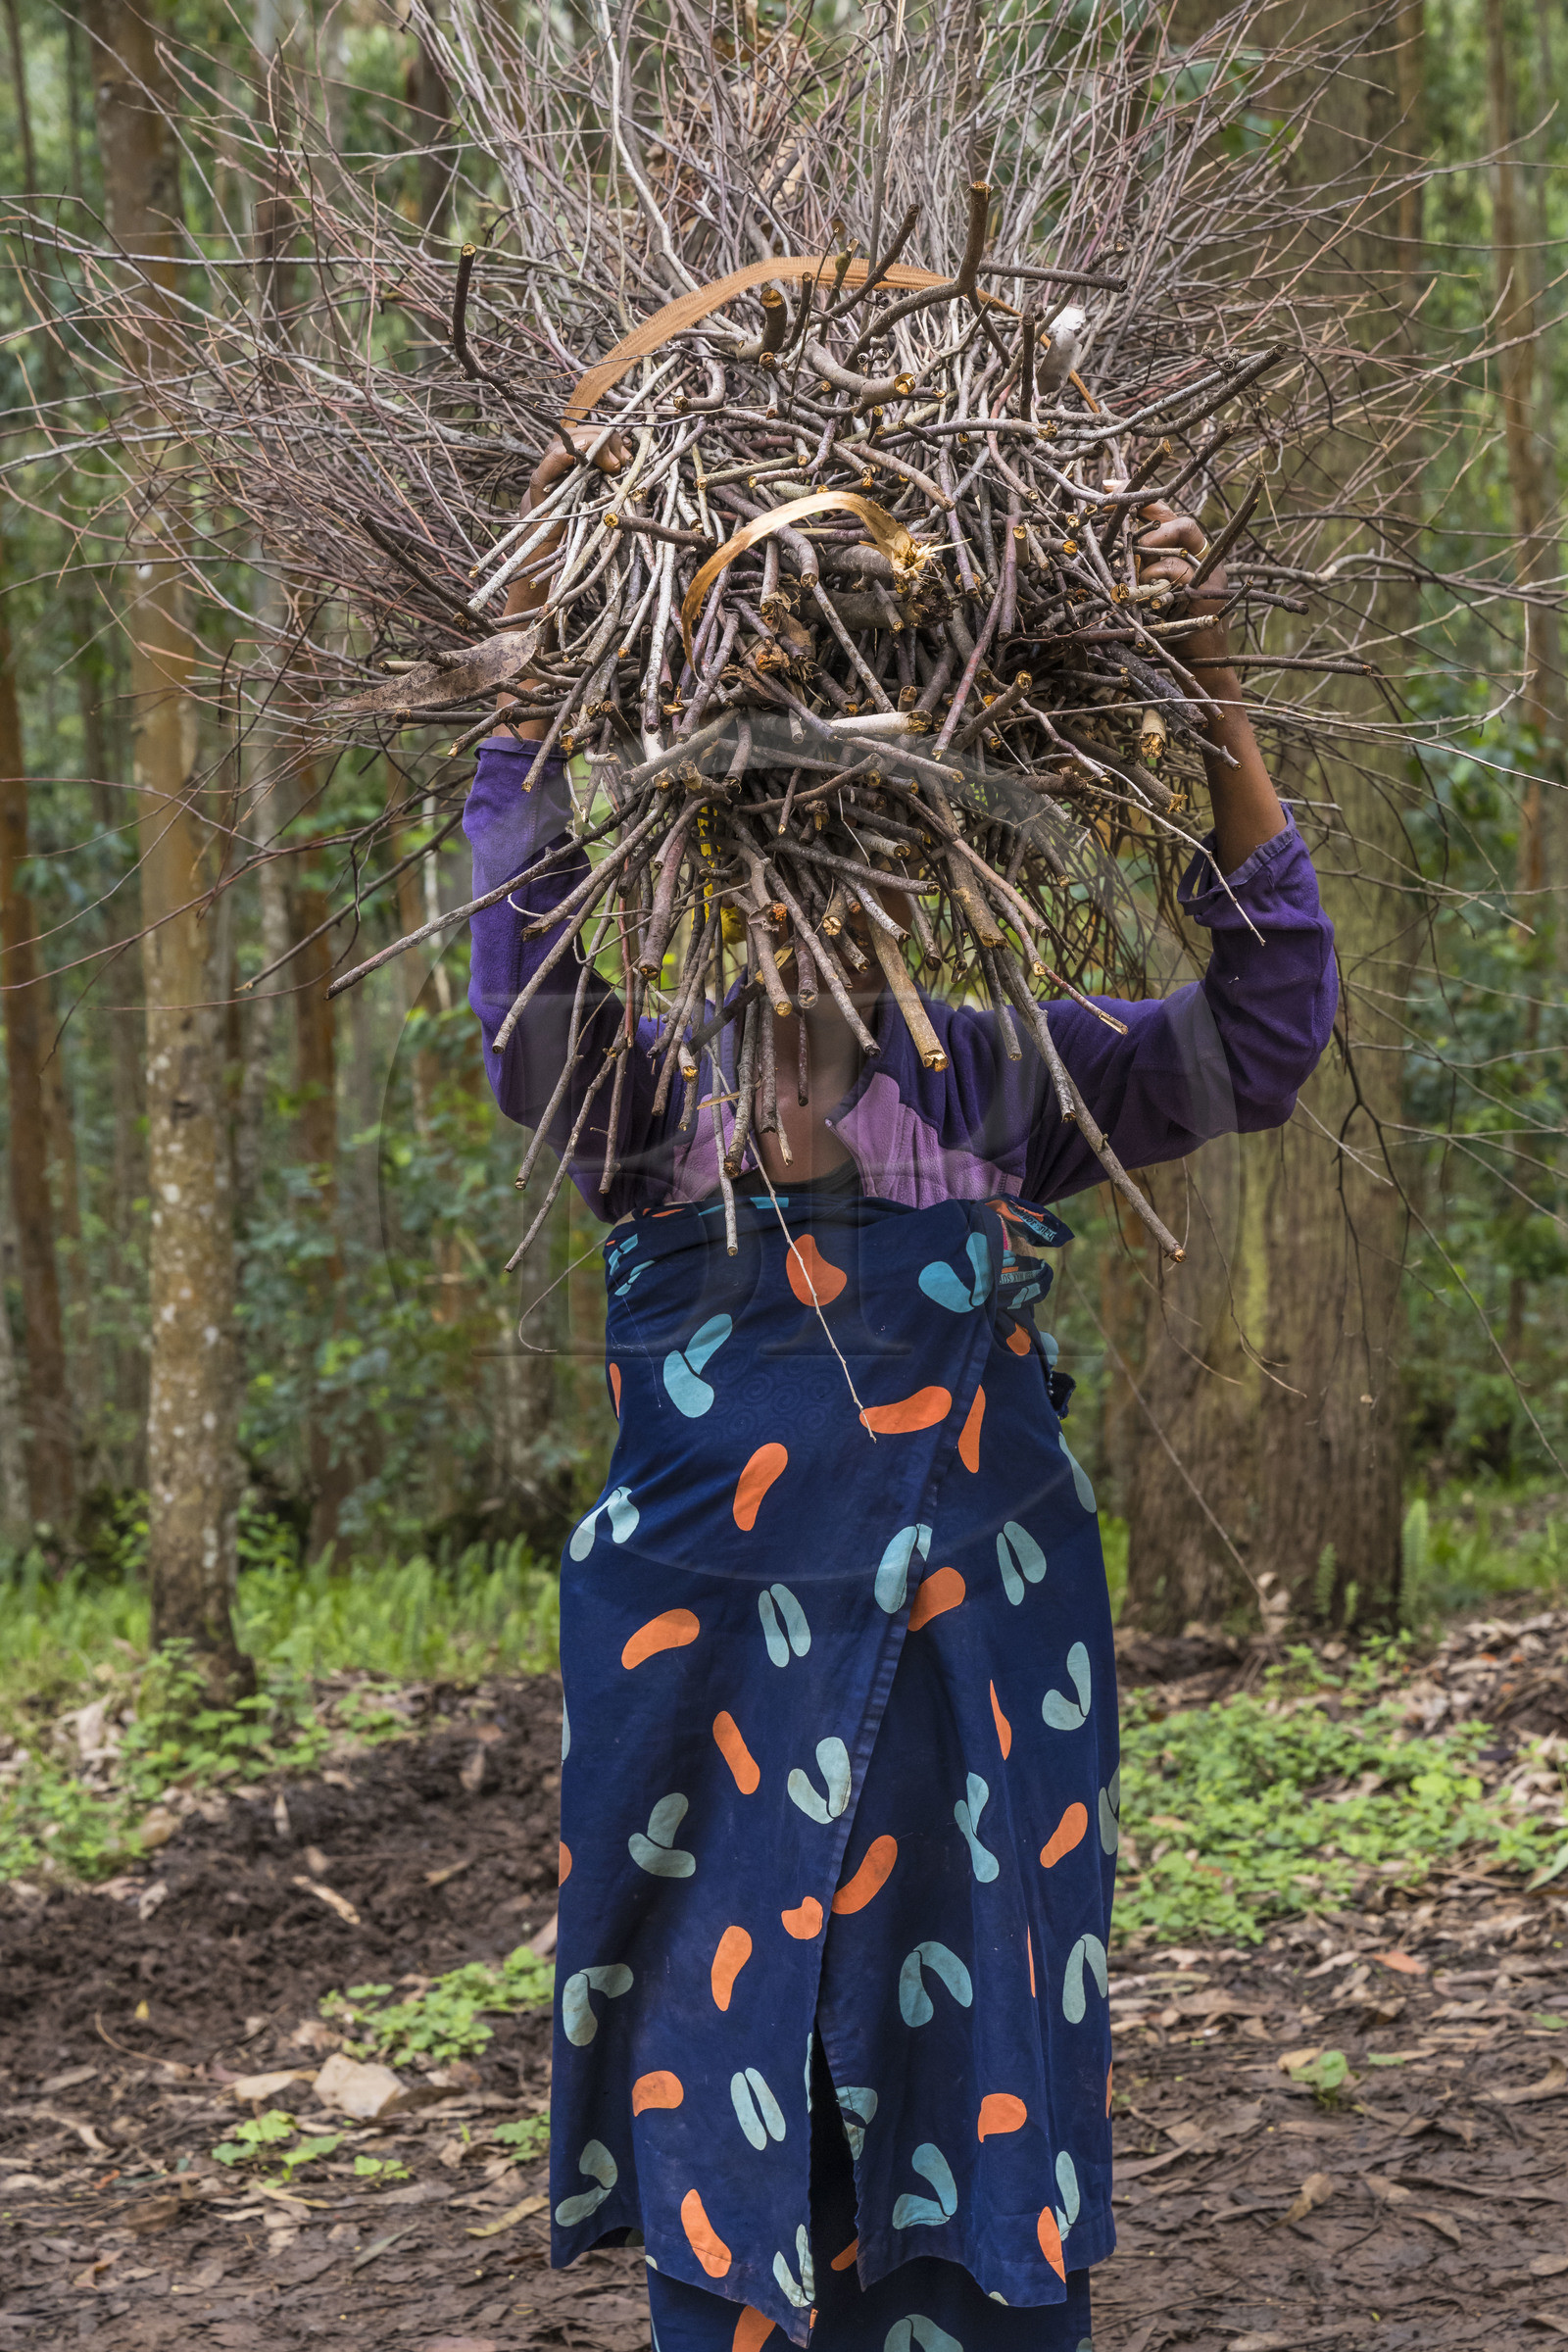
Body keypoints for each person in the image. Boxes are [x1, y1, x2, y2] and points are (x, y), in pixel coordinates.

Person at [463, 430, 1337, 2352]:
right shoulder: (647, 1104)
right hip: (711, 1735)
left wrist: (1205, 674)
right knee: (733, 2141)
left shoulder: (988, 1084)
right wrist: (527, 697)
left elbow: (1265, 1024)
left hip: (969, 1739)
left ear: (911, 849)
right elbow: (515, 968)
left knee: (972, 2125)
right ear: (696, 845)